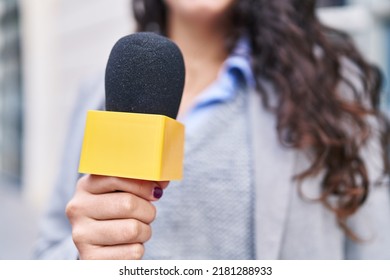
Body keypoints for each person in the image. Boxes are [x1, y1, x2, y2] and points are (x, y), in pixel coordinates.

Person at [34, 0, 390, 260]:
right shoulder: (95, 93)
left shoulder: (330, 88)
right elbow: (45, 256)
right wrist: (84, 256)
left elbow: (375, 252)